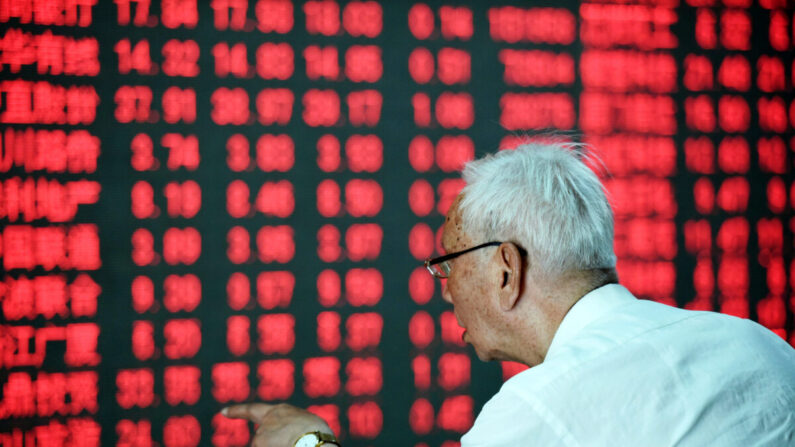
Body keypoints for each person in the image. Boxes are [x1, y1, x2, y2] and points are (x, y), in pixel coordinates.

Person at [223, 143, 795, 446]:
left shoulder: (538, 411)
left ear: (504, 269)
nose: (443, 293)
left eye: (445, 263)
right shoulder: (759, 345)